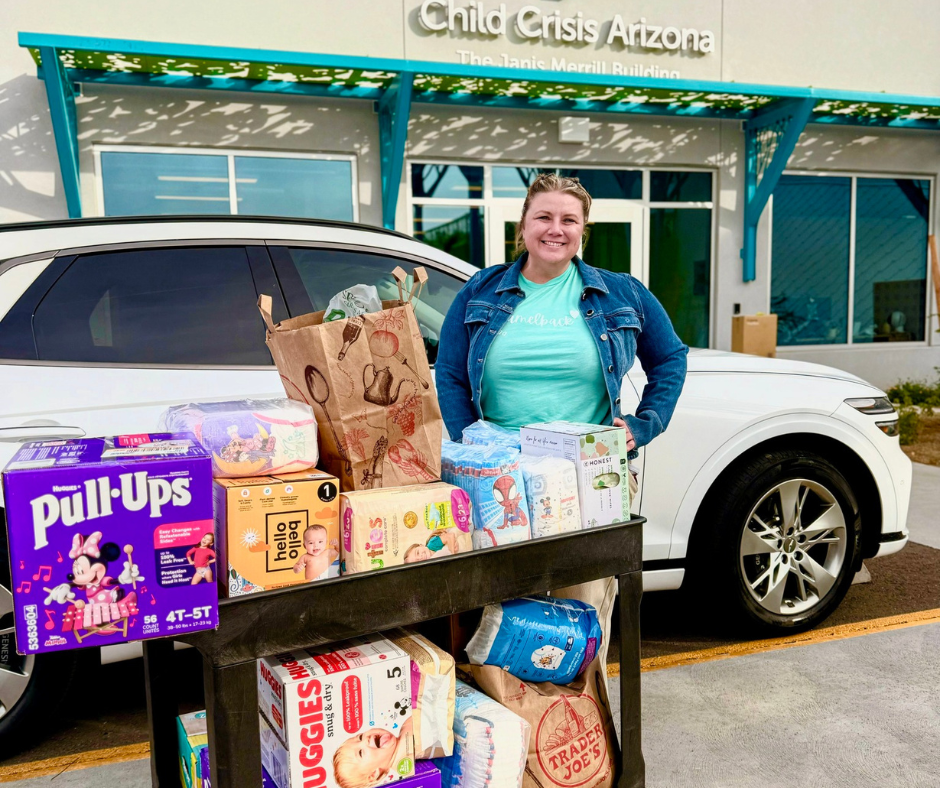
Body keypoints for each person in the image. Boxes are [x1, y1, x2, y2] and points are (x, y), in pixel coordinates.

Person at [436, 172, 688, 459]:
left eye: (569, 220)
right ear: (523, 225)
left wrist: (644, 425)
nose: (556, 229)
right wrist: (470, 443)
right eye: (544, 217)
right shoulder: (479, 290)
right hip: (500, 466)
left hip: (592, 463)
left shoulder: (623, 292)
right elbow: (449, 373)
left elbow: (670, 357)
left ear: (582, 230)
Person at [333, 718, 413, 788]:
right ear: (373, 774)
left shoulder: (405, 726)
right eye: (360, 753)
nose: (365, 739)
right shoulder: (407, 766)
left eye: (360, 737)